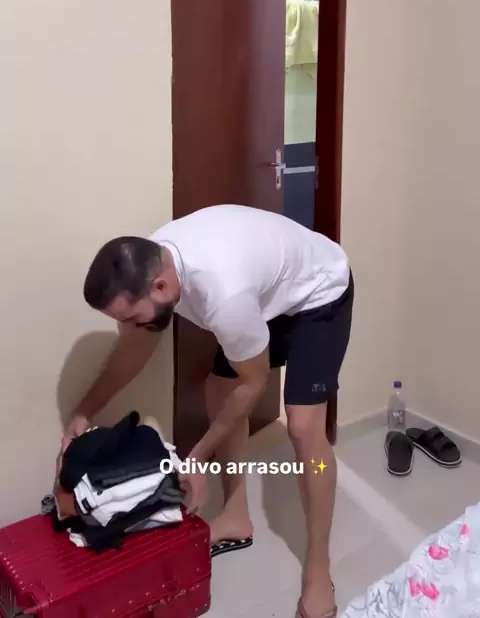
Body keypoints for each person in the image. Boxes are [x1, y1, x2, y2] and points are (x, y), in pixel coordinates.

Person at [63, 204, 353, 618]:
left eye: (131, 317)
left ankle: (319, 568)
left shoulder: (223, 294)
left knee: (304, 425)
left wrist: (197, 458)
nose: (130, 326)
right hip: (267, 292)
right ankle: (235, 514)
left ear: (161, 287)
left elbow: (254, 385)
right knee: (219, 389)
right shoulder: (152, 263)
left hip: (319, 290)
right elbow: (133, 350)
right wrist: (84, 411)